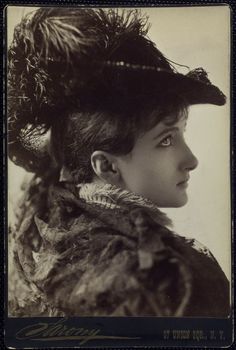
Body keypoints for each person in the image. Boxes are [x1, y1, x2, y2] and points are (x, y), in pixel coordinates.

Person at [8, 7, 229, 317]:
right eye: (166, 139)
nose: (190, 160)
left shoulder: (37, 235)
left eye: (181, 134)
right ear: (107, 167)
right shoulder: (171, 283)